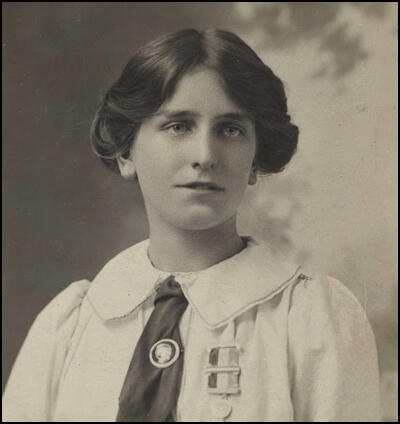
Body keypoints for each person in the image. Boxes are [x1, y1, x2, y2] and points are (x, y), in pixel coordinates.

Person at [2, 28, 381, 422]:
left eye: (230, 130)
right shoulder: (69, 327)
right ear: (126, 151)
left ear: (255, 159)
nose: (205, 154)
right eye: (179, 126)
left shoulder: (310, 323)